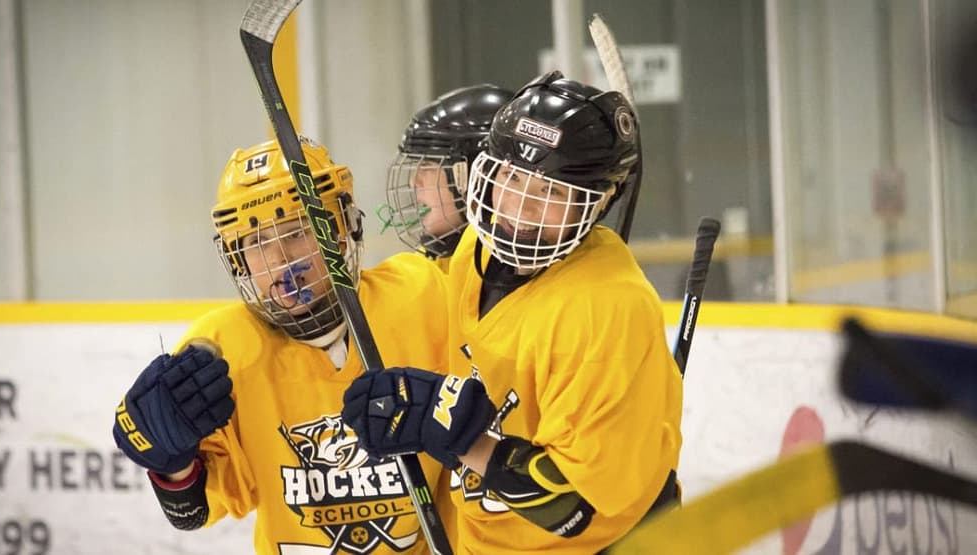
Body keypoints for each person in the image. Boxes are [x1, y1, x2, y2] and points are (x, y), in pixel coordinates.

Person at [342, 71, 683, 554]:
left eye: (552, 193)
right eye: (514, 178)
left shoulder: (607, 308)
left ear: (599, 204)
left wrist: (459, 435)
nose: (521, 207)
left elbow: (572, 510)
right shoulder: (472, 254)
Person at [111, 137, 449, 554]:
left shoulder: (423, 296)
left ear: (341, 227)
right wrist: (174, 467)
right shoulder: (221, 350)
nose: (280, 261)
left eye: (296, 232)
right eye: (255, 243)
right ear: (237, 258)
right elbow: (195, 512)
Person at [381, 84, 513, 268]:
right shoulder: (431, 269)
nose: (413, 182)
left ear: (478, 176)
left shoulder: (506, 279)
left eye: (427, 166)